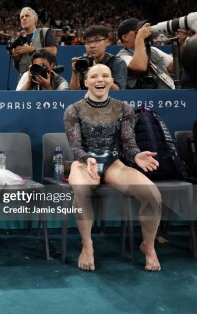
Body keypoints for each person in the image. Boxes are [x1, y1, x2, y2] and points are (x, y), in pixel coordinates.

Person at [64, 64, 162, 272]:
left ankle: (148, 246)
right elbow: (75, 146)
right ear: (86, 82)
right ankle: (87, 245)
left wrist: (136, 155)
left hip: (113, 163)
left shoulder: (124, 108)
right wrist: (87, 158)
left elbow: (128, 144)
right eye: (94, 76)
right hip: (83, 162)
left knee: (152, 195)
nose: (100, 79)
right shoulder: (74, 110)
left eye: (105, 76)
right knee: (81, 190)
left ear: (111, 81)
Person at [116, 18, 174, 89]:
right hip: (145, 98)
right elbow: (140, 66)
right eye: (137, 31)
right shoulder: (121, 57)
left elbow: (174, 67)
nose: (142, 32)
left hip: (169, 96)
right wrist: (140, 38)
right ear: (125, 37)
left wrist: (183, 43)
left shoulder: (152, 50)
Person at [70, 25, 127, 90]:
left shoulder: (117, 62)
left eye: (97, 40)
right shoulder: (83, 62)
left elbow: (119, 91)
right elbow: (74, 92)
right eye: (88, 42)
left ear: (107, 41)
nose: (92, 46)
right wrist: (75, 73)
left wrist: (97, 72)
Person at [11, 7, 57, 80]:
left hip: (43, 79)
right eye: (21, 17)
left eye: (27, 16)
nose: (24, 18)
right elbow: (18, 67)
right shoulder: (18, 40)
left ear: (35, 18)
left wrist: (32, 49)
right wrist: (16, 58)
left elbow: (53, 51)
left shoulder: (44, 32)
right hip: (24, 81)